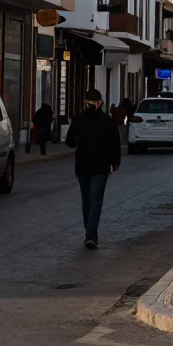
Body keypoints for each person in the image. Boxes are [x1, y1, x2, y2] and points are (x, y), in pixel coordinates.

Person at [65, 88, 121, 250]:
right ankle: (91, 235)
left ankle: (89, 233)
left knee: (87, 200)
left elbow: (69, 141)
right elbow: (115, 143)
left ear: (85, 102)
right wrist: (115, 162)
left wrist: (79, 140)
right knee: (95, 200)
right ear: (100, 102)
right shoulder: (107, 121)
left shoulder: (78, 119)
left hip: (83, 165)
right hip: (100, 166)